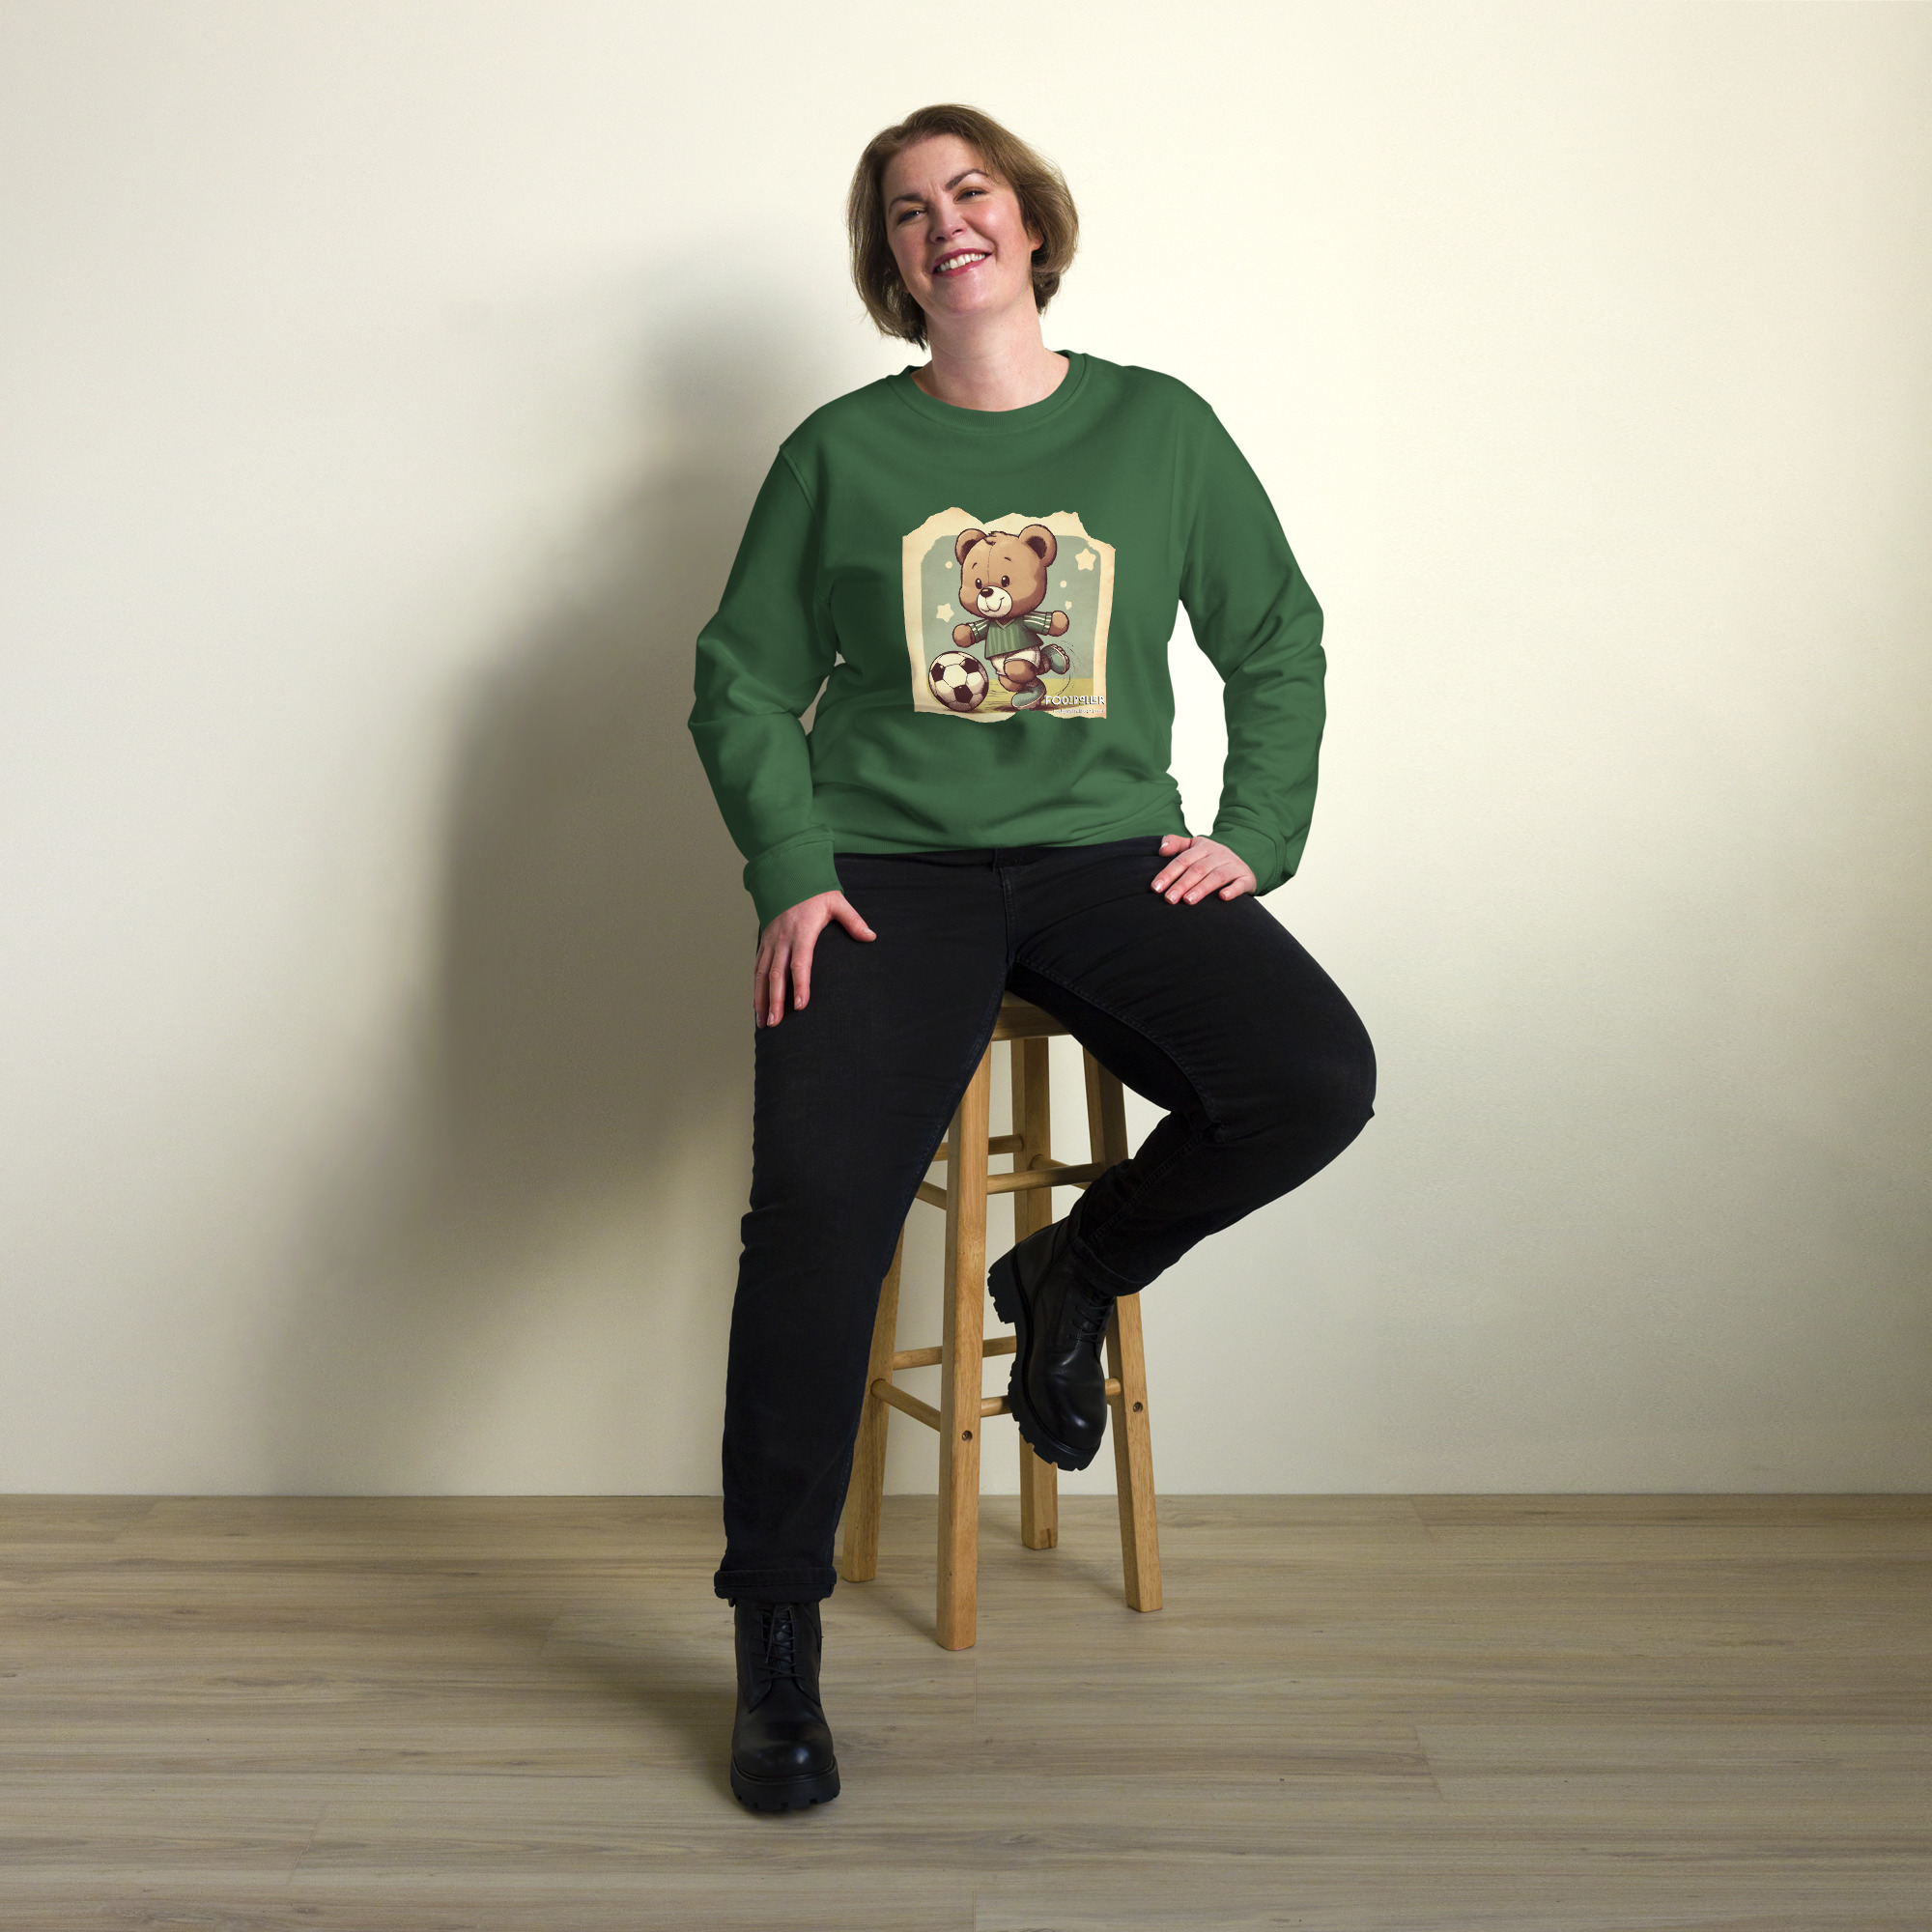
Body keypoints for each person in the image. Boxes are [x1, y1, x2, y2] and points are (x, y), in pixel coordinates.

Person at [687, 103, 1377, 1813]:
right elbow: (742, 680)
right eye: (906, 211)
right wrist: (791, 868)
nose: (945, 223)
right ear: (891, 263)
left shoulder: (1159, 430)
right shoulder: (839, 453)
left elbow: (1275, 635)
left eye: (970, 189)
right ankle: (776, 1642)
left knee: (1310, 1078)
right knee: (812, 1227)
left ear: (1032, 221)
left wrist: (1255, 829)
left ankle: (1075, 1269)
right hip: (885, 879)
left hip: (1102, 858)